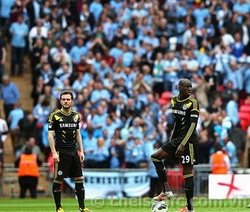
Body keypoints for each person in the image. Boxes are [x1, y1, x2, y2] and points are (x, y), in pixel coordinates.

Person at [151, 78, 199, 212]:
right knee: (155, 157)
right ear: (179, 87)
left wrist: (183, 144)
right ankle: (166, 190)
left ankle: (190, 208)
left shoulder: (193, 103)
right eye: (186, 86)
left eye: (191, 87)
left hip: (189, 141)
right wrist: (172, 141)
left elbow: (192, 126)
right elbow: (177, 123)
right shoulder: (173, 100)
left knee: (187, 172)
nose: (189, 89)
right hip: (177, 139)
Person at [48, 90, 91, 212]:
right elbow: (50, 135)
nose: (66, 101)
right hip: (61, 151)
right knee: (58, 179)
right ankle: (59, 207)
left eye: (68, 99)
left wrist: (81, 151)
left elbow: (78, 133)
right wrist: (54, 153)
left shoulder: (76, 115)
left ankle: (82, 207)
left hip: (74, 151)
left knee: (79, 178)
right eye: (64, 99)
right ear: (60, 101)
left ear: (72, 101)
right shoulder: (55, 116)